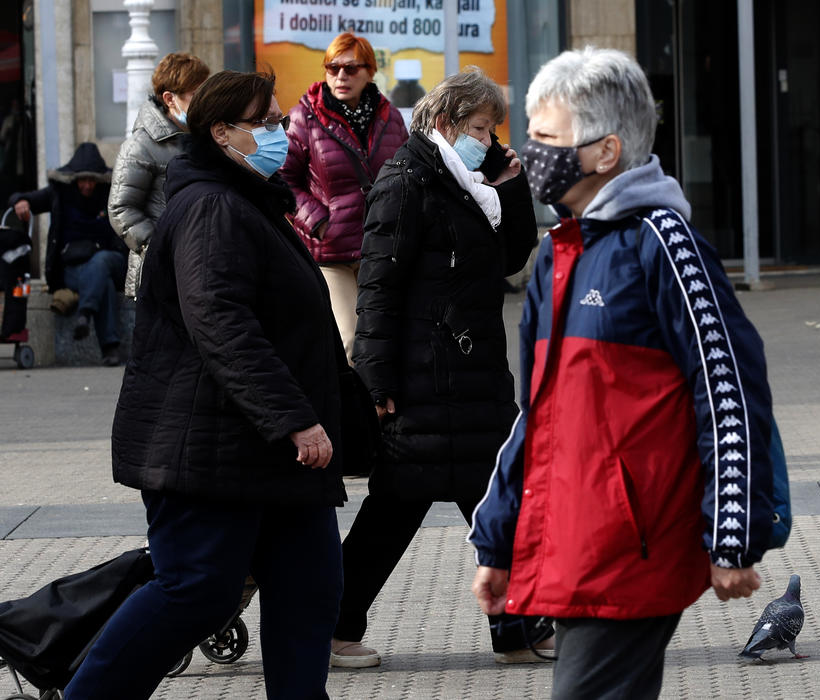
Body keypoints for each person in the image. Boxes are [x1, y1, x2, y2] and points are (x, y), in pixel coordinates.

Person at [468, 48, 775, 699]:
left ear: (605, 152)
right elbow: (538, 415)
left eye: (547, 138)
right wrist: (499, 538)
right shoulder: (560, 254)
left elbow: (728, 393)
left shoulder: (665, 243)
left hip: (632, 545)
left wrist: (731, 534)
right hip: (574, 538)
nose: (529, 152)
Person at [63, 70, 346, 700]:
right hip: (210, 444)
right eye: (267, 124)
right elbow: (220, 321)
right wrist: (293, 417)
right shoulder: (212, 207)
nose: (282, 133)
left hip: (268, 452)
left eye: (281, 120)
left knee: (310, 588)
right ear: (222, 133)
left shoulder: (250, 200)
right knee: (197, 590)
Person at [332, 67, 552, 669]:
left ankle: (518, 627)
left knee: (494, 499)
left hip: (471, 379)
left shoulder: (470, 185)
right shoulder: (407, 183)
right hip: (423, 383)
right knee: (396, 512)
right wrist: (375, 380)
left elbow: (509, 259)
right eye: (479, 127)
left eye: (491, 128)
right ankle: (332, 627)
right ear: (445, 122)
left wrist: (508, 185)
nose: (487, 138)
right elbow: (376, 290)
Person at [281, 32, 408, 363]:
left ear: (369, 71)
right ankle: (355, 414)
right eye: (332, 67)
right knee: (351, 343)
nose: (340, 76)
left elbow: (405, 173)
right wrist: (319, 221)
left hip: (380, 246)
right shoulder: (304, 116)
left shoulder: (390, 117)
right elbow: (283, 179)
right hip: (332, 253)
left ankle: (380, 412)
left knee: (386, 340)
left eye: (350, 69)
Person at [8, 142, 128, 366]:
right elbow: (23, 198)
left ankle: (85, 313)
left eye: (92, 180)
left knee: (101, 262)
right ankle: (111, 348)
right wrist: (20, 202)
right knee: (105, 285)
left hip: (111, 258)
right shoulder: (60, 194)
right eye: (83, 180)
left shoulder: (111, 193)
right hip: (74, 268)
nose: (87, 185)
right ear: (74, 179)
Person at [108, 52, 210, 298]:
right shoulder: (140, 146)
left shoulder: (206, 137)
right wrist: (159, 248)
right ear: (170, 99)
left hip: (203, 265)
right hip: (162, 275)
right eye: (197, 95)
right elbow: (121, 209)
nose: (205, 101)